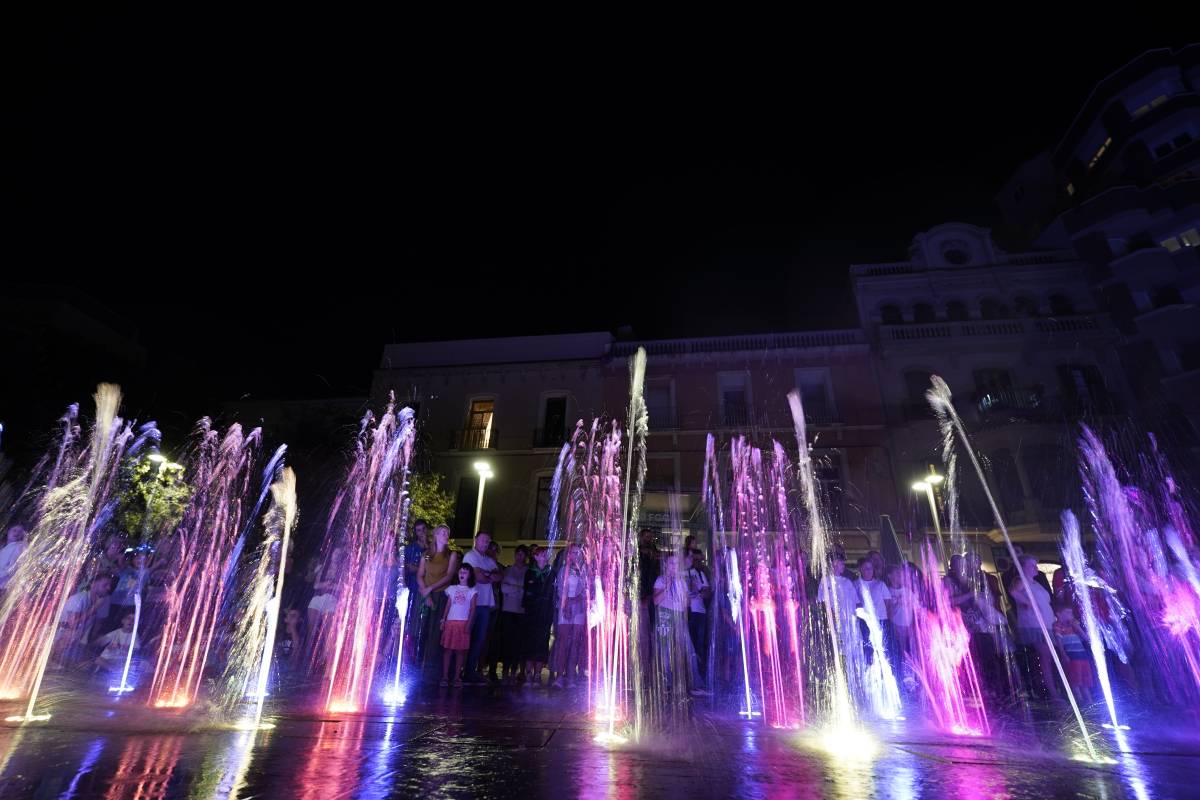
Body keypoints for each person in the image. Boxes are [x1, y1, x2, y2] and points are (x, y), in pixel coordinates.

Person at [1010, 554, 1062, 702]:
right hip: (1035, 626)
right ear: (1023, 567)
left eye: (1035, 564)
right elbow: (1013, 592)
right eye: (1031, 565)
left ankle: (1052, 690)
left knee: (1049, 658)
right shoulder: (1022, 580)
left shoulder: (1035, 583)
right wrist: (1028, 603)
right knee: (1045, 658)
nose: (1035, 567)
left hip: (1047, 624)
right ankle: (1053, 694)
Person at [418, 525, 460, 675]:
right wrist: (426, 593)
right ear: (436, 534)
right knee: (423, 629)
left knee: (437, 631)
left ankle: (434, 669)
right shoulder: (428, 554)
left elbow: (449, 576)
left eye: (448, 533)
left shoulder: (450, 555)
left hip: (442, 595)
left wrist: (431, 589)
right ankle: (419, 666)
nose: (446, 535)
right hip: (427, 596)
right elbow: (420, 575)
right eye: (443, 532)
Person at [461, 531, 502, 684]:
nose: (486, 543)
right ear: (476, 540)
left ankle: (470, 671)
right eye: (483, 540)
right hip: (472, 604)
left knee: (479, 640)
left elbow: (499, 576)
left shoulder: (487, 559)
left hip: (484, 605)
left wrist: (487, 574)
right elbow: (479, 578)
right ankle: (461, 670)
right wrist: (488, 575)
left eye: (488, 541)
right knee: (467, 637)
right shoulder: (470, 556)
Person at [652, 553, 695, 694]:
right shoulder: (660, 580)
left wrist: (688, 596)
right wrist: (667, 586)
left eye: (676, 564)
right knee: (665, 652)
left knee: (684, 649)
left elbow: (686, 604)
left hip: (679, 618)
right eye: (671, 563)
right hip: (665, 618)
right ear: (666, 565)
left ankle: (686, 683)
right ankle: (667, 683)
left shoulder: (681, 581)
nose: (674, 566)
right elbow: (656, 601)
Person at [552, 545, 587, 688]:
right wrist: (566, 605)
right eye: (572, 552)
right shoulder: (563, 570)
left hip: (578, 610)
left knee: (575, 643)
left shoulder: (584, 570)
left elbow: (586, 590)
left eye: (577, 553)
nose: (575, 555)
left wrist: (573, 601)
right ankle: (559, 676)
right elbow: (560, 589)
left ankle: (571, 675)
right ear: (569, 555)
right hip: (564, 609)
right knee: (562, 642)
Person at [58, 575, 113, 665]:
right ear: (93, 585)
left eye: (109, 585)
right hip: (60, 635)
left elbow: (98, 624)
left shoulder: (104, 600)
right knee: (69, 634)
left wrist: (90, 644)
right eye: (105, 585)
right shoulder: (79, 599)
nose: (108, 588)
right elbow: (73, 625)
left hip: (75, 640)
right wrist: (94, 608)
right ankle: (55, 655)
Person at [522, 545, 555, 685]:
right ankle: (528, 673)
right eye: (541, 554)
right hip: (532, 612)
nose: (544, 557)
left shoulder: (551, 573)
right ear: (535, 557)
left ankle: (538, 674)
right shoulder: (530, 572)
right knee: (529, 641)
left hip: (546, 612)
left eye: (546, 555)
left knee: (542, 642)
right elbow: (526, 591)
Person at [440, 565, 478, 687]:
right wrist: (443, 620)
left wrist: (469, 625)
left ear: (470, 575)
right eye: (461, 571)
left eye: (465, 572)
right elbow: (448, 605)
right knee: (447, 650)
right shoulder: (451, 588)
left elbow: (473, 609)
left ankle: (457, 677)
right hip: (450, 622)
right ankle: (445, 677)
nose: (462, 574)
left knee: (460, 652)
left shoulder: (472, 590)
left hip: (463, 623)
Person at [497, 545, 529, 683]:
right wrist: (518, 589)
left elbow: (527, 590)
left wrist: (514, 588)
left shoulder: (528, 571)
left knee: (518, 642)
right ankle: (505, 669)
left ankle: (514, 670)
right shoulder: (508, 570)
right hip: (508, 610)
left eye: (522, 554)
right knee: (507, 641)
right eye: (518, 553)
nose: (520, 556)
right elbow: (504, 588)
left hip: (521, 611)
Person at [1053, 602, 1094, 706]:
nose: (1070, 616)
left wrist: (1077, 627)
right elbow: (1058, 641)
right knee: (1076, 680)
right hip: (1072, 656)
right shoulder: (1057, 626)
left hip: (1082, 656)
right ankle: (1080, 702)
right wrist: (1063, 654)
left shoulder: (1074, 626)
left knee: (1084, 679)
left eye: (1071, 614)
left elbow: (1086, 638)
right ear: (1058, 614)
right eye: (1067, 613)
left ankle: (1089, 702)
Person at [855, 559, 892, 664]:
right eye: (866, 568)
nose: (869, 571)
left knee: (882, 646)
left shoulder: (880, 584)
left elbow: (888, 602)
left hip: (880, 619)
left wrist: (887, 618)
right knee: (867, 644)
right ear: (860, 569)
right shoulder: (855, 584)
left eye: (870, 568)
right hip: (864, 621)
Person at [685, 551, 712, 686]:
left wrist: (699, 591)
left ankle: (699, 679)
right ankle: (689, 678)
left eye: (694, 558)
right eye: (690, 557)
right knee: (688, 646)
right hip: (686, 613)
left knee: (699, 646)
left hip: (700, 613)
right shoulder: (679, 574)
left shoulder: (700, 574)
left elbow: (707, 593)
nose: (692, 560)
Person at [0, 524, 28, 590]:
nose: (17, 533)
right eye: (14, 530)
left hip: (3, 586)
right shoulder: (3, 548)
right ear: (8, 531)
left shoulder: (19, 546)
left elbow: (13, 567)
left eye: (20, 532)